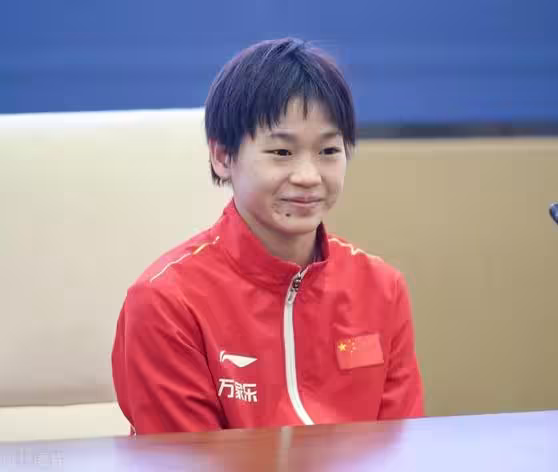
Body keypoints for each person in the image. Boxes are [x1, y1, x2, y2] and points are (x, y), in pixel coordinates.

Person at [111, 37, 424, 434]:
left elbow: (403, 450)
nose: (308, 176)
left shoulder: (382, 289)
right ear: (222, 156)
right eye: (281, 152)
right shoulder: (166, 303)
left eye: (329, 151)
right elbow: (188, 458)